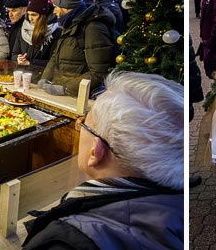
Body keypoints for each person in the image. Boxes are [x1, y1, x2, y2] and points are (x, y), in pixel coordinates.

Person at [22, 72, 182, 250]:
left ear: (96, 151)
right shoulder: (176, 206)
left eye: (84, 124)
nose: (79, 126)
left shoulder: (64, 244)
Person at [38, 0, 115, 97]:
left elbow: (98, 72)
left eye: (55, 7)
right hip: (64, 93)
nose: (54, 12)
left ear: (65, 7)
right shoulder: (70, 24)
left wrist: (65, 89)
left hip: (80, 97)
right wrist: (44, 78)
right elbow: (56, 56)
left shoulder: (93, 28)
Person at [12, 0, 61, 72]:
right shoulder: (23, 29)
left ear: (42, 16)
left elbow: (54, 61)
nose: (30, 18)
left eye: (34, 15)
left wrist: (30, 63)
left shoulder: (55, 32)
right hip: (22, 74)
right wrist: (18, 58)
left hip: (42, 77)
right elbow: (14, 53)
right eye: (28, 14)